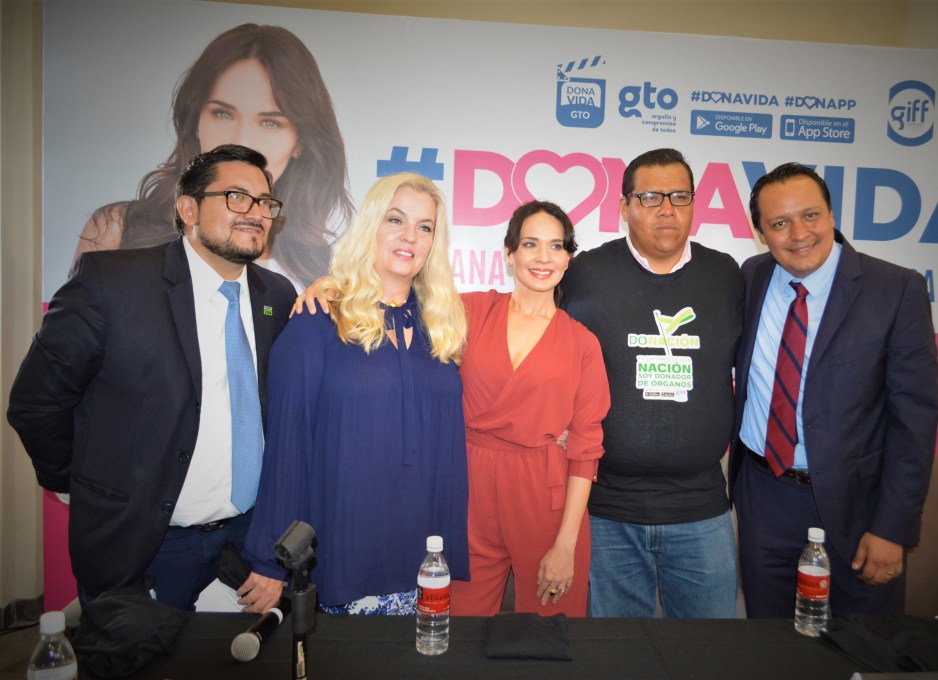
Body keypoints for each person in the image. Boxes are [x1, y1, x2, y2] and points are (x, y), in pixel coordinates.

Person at [7, 144, 297, 610]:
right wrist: (83, 485)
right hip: (147, 545)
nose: (256, 213)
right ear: (188, 209)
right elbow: (37, 403)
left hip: (247, 539)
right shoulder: (112, 283)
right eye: (236, 197)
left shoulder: (277, 295)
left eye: (264, 202)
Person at [241, 172, 470, 615]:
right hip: (344, 552)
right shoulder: (318, 321)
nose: (410, 236)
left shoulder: (443, 326)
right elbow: (287, 445)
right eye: (395, 220)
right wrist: (270, 557)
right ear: (370, 227)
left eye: (425, 227)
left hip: (424, 555)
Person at [730, 162, 938, 617]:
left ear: (831, 215)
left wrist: (893, 527)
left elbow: (914, 422)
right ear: (760, 233)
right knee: (769, 642)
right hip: (765, 497)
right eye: (779, 223)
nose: (799, 234)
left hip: (858, 507)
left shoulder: (895, 289)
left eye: (811, 215)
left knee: (863, 644)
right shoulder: (751, 277)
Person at [560, 148, 744, 618]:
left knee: (710, 651)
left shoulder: (725, 276)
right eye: (650, 197)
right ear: (624, 207)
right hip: (608, 511)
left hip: (701, 511)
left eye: (680, 196)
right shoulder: (584, 275)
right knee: (617, 652)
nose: (666, 209)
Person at [76, 23, 353, 289]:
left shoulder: (325, 271)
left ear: (300, 143)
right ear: (196, 122)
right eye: (223, 114)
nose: (242, 142)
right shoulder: (118, 230)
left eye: (270, 122)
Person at [450, 201, 610, 617]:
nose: (543, 257)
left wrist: (566, 545)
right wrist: (330, 287)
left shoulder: (583, 344)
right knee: (461, 627)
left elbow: (586, 450)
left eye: (556, 246)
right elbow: (395, 304)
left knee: (548, 631)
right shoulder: (468, 311)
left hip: (545, 496)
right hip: (468, 489)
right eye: (530, 244)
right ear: (509, 253)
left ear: (569, 258)